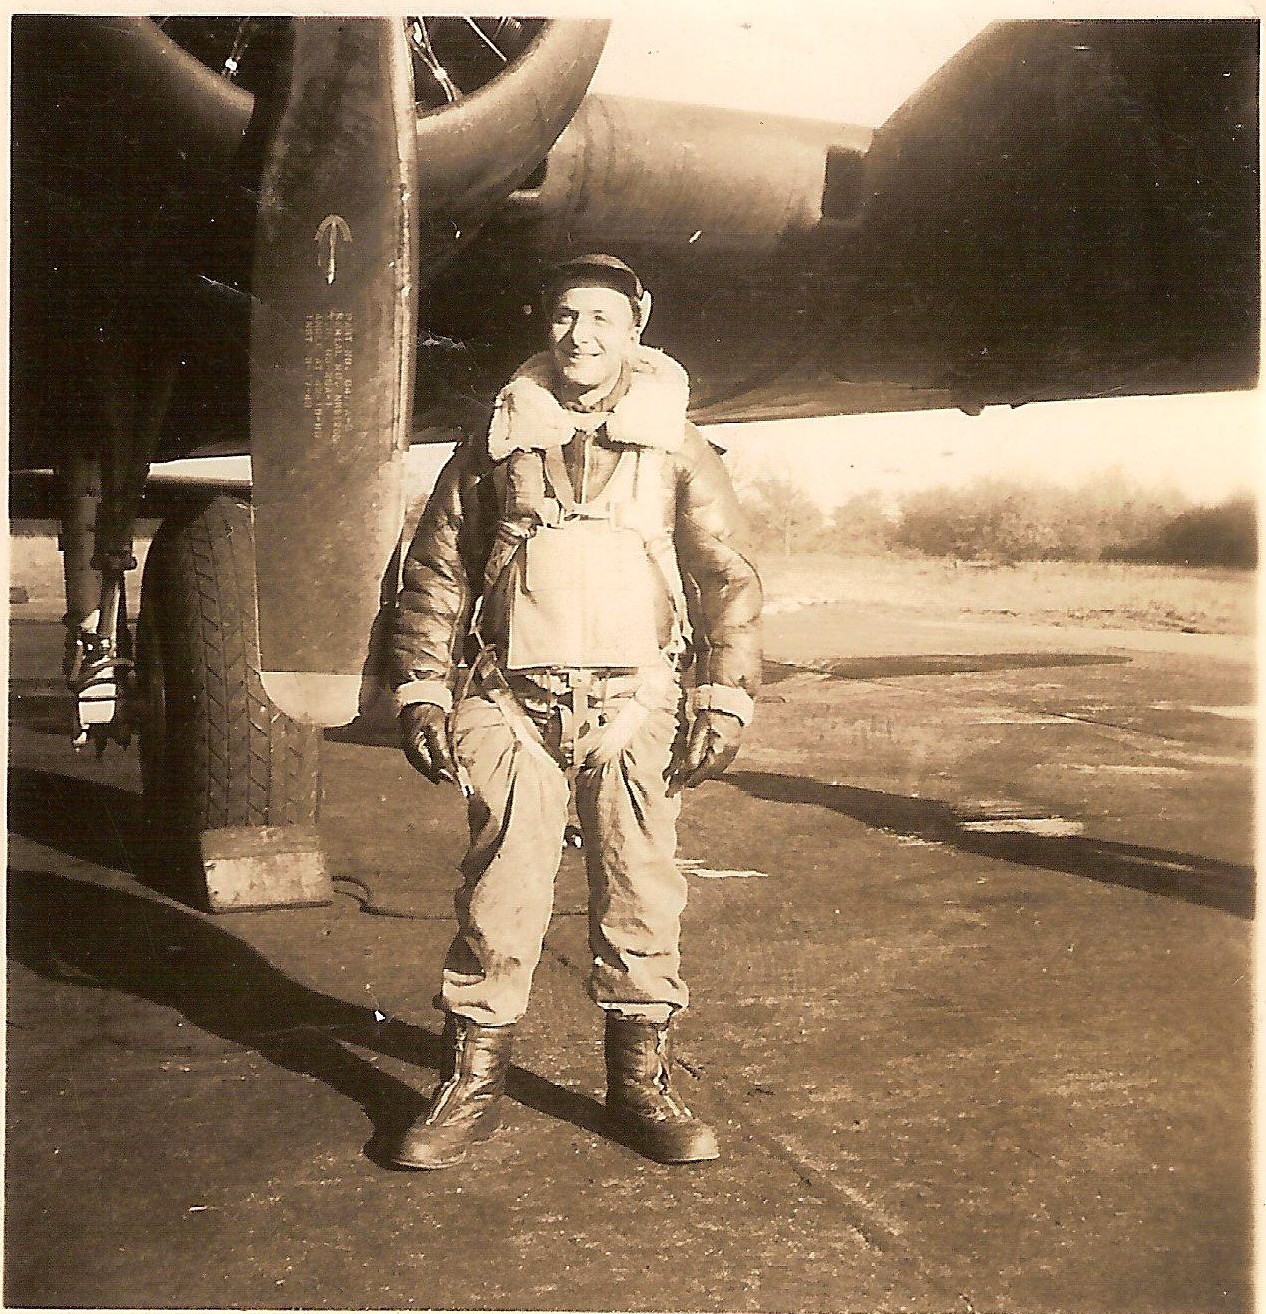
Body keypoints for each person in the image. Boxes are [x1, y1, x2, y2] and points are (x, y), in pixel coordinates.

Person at [387, 253, 762, 1170]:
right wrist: (422, 688)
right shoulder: (497, 439)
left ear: (635, 328)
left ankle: (641, 1087)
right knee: (499, 899)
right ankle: (471, 1087)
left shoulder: (678, 446)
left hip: (637, 706)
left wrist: (723, 697)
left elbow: (725, 579)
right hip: (514, 704)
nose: (579, 335)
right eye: (563, 316)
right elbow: (438, 569)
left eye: (600, 318)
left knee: (641, 895)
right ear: (545, 327)